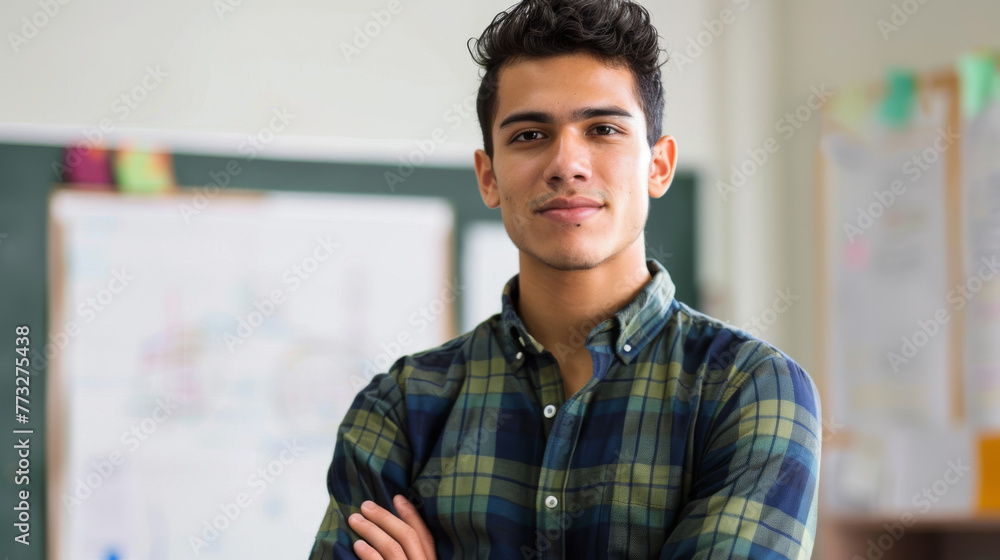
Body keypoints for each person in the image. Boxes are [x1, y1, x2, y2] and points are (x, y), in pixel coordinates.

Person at [309, 0, 821, 558]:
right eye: (530, 135)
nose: (566, 164)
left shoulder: (749, 390)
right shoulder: (402, 406)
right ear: (489, 177)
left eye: (602, 129)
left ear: (658, 166)